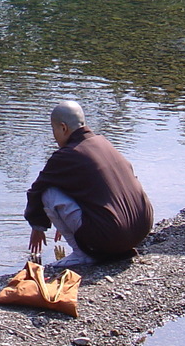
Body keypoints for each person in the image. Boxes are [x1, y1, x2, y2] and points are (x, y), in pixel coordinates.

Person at [25, 100, 154, 267]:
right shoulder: (103, 143)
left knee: (48, 193)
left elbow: (37, 191)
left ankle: (82, 254)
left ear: (63, 128)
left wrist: (38, 226)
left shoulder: (67, 155)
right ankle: (106, 246)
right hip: (141, 230)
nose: (54, 135)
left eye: (53, 129)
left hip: (113, 238)